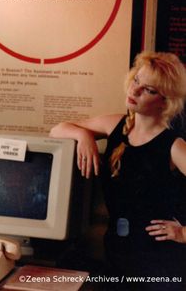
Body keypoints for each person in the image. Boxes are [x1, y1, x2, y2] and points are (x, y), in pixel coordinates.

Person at [49, 51, 186, 290]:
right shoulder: (115, 125)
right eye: (136, 81)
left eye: (149, 90)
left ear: (165, 101)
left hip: (160, 265)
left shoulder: (174, 146)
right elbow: (57, 130)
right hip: (116, 255)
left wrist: (183, 233)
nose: (134, 91)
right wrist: (83, 135)